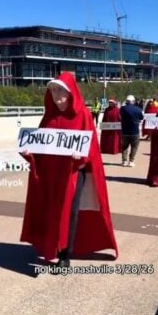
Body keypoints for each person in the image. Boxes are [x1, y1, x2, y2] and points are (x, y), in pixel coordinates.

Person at [19, 72, 117, 268]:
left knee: (69, 212)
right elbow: (40, 147)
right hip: (50, 174)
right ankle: (51, 245)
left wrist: (81, 157)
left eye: (60, 90)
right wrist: (29, 154)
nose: (56, 95)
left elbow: (90, 148)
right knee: (51, 210)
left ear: (70, 92)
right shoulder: (48, 117)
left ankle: (65, 254)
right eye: (53, 90)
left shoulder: (83, 115)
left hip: (73, 173)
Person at [119, 95, 144, 166]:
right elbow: (141, 118)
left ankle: (124, 161)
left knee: (124, 147)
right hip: (135, 131)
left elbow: (120, 115)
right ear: (133, 101)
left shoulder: (122, 109)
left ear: (126, 101)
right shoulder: (138, 109)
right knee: (134, 147)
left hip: (125, 131)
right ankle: (131, 161)